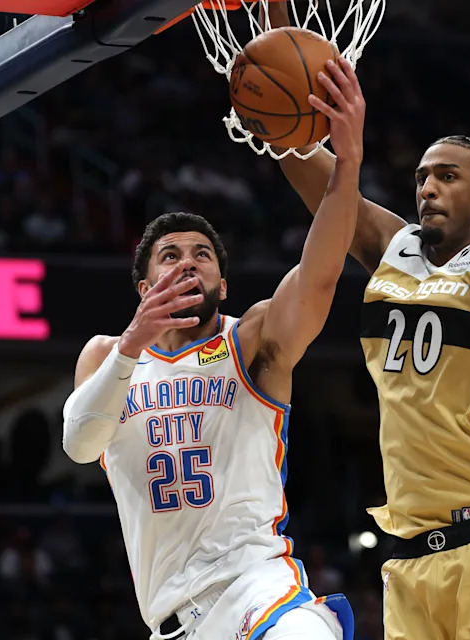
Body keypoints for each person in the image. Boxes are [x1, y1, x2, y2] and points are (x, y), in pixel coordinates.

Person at [273, 1, 470, 637]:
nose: (426, 187)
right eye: (421, 176)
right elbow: (298, 150)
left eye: (447, 175)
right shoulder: (393, 250)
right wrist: (279, 37)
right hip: (408, 563)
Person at [61, 58, 366, 640]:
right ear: (145, 287)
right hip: (171, 620)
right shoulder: (106, 357)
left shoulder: (250, 340)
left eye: (202, 256)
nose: (187, 263)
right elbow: (79, 446)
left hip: (258, 588)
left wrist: (346, 166)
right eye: (170, 255)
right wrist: (132, 344)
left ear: (221, 286)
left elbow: (319, 275)